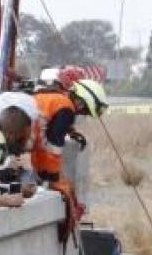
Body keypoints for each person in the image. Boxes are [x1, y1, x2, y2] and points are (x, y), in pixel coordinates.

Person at [32, 77, 109, 239]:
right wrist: (52, 175)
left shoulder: (58, 99)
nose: (80, 114)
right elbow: (54, 144)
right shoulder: (66, 107)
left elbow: (51, 120)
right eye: (83, 111)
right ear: (81, 102)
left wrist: (70, 131)